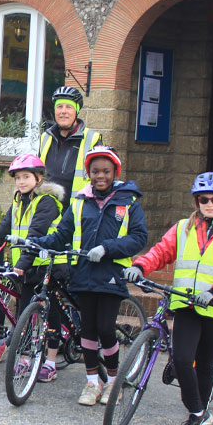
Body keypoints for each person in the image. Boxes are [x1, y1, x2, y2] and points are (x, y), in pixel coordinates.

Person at [124, 172, 213, 425]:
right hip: (185, 304)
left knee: (204, 364)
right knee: (182, 359)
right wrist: (139, 265)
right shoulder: (184, 228)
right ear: (197, 202)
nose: (209, 203)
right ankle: (198, 412)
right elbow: (161, 252)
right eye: (203, 199)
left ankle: (197, 418)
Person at [23, 146, 147, 406]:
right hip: (84, 274)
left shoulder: (129, 202)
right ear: (88, 173)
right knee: (88, 332)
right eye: (95, 171)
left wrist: (108, 249)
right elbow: (61, 235)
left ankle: (113, 381)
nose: (100, 176)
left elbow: (138, 237)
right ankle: (92, 382)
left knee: (105, 329)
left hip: (111, 276)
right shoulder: (80, 202)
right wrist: (35, 242)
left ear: (115, 172)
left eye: (106, 171)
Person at [0, 154, 65, 374]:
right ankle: (24, 358)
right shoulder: (18, 201)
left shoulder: (47, 202)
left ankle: (50, 362)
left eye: (26, 177)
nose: (21, 181)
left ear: (39, 178)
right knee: (24, 314)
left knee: (50, 312)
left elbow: (36, 234)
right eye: (18, 177)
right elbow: (0, 232)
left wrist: (20, 264)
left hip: (49, 264)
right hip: (29, 266)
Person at [39, 86, 103, 210]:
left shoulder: (92, 139)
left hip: (78, 212)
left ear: (77, 111)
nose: (63, 111)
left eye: (69, 107)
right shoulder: (45, 138)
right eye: (59, 106)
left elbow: (101, 181)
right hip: (47, 213)